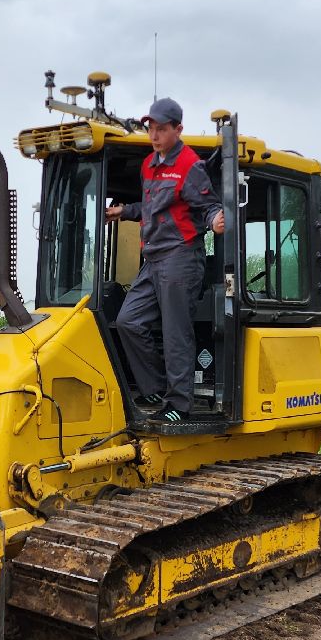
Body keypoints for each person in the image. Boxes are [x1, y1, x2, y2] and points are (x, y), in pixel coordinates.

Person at [105, 97, 225, 423]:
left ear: (178, 129)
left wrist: (215, 219)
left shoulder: (190, 165)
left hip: (181, 256)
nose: (154, 135)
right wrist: (124, 211)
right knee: (128, 321)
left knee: (176, 333)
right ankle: (154, 387)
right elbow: (151, 209)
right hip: (154, 258)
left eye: (161, 129)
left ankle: (179, 406)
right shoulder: (148, 165)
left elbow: (209, 204)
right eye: (151, 128)